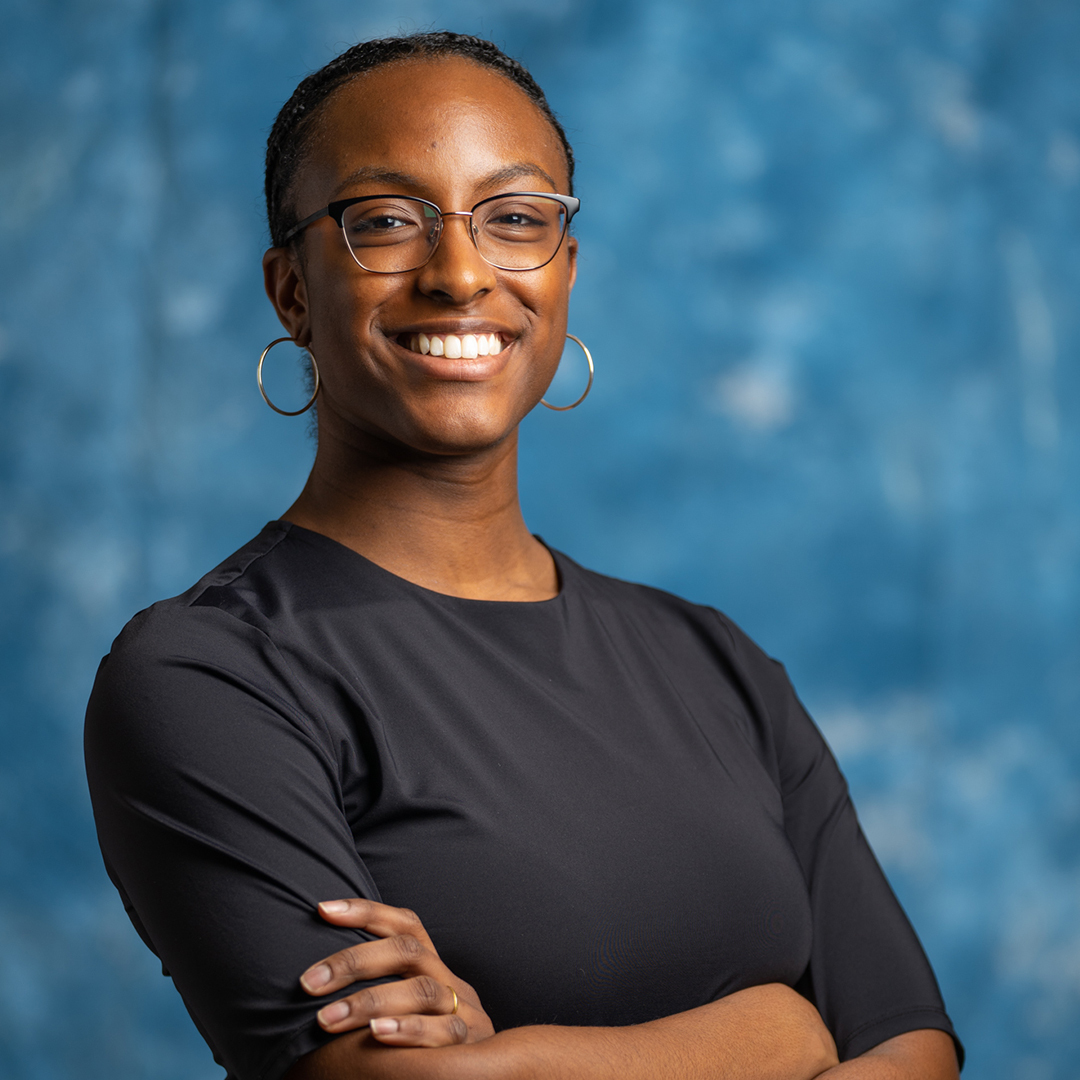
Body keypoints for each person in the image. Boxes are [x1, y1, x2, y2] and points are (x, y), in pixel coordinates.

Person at [84, 31, 962, 1080]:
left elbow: (912, 1051)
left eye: (514, 220)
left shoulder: (714, 663)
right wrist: (779, 1029)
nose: (460, 274)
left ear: (565, 271)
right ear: (291, 292)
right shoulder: (209, 676)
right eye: (385, 223)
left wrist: (514, 1056)